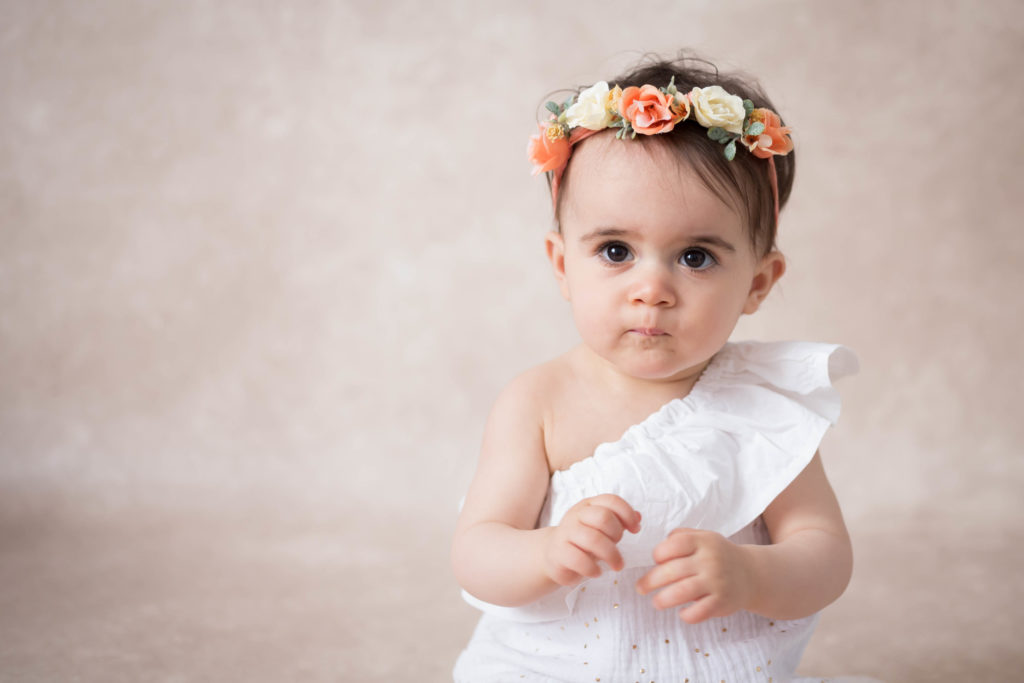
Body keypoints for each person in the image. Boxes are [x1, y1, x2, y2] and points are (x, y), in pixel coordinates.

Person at [451, 53, 860, 682]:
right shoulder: (538, 402)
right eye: (616, 251)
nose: (653, 288)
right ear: (562, 265)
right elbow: (478, 551)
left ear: (757, 282)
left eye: (695, 257)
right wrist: (546, 550)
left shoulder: (764, 404)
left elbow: (825, 555)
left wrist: (751, 573)